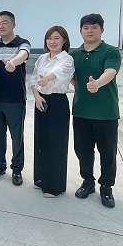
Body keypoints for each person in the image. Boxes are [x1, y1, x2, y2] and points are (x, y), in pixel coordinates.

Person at [71, 13, 122, 208]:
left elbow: (111, 71)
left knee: (107, 153)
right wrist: (79, 87)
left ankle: (106, 187)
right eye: (86, 27)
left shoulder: (110, 51)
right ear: (80, 31)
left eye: (94, 27)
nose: (90, 31)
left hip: (106, 113)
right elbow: (70, 76)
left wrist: (97, 84)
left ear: (102, 30)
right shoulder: (74, 55)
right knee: (82, 150)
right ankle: (88, 182)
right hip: (81, 111)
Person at [30, 26, 75, 198]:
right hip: (41, 101)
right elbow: (33, 78)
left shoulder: (67, 59)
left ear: (64, 40)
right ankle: (41, 178)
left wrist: (47, 79)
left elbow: (58, 72)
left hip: (57, 102)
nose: (52, 41)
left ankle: (54, 187)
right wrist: (37, 96)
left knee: (56, 144)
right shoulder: (42, 58)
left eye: (57, 38)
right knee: (41, 141)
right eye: (49, 38)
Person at [0, 10, 31, 187]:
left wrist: (13, 62)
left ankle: (17, 169)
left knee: (16, 137)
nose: (1, 26)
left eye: (4, 22)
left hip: (15, 99)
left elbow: (23, 54)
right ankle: (0, 166)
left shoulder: (22, 43)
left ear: (13, 24)